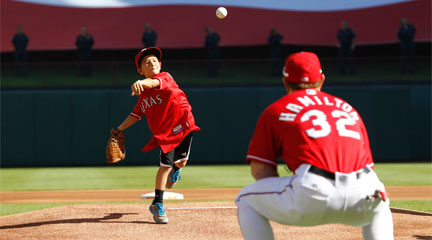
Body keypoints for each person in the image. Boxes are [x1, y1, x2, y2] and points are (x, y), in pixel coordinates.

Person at [235, 52, 394, 240]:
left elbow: (261, 171)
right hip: (365, 192)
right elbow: (367, 165)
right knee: (380, 203)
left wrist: (287, 197)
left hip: (315, 191)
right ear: (322, 80)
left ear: (285, 82)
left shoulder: (276, 109)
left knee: (246, 199)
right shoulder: (348, 108)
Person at [113, 47, 200, 224]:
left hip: (184, 125)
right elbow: (135, 115)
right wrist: (119, 129)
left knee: (181, 162)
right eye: (146, 62)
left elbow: (152, 83)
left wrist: (140, 82)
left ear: (160, 65)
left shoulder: (165, 77)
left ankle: (177, 170)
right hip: (165, 135)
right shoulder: (143, 97)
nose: (151, 63)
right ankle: (157, 203)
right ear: (140, 70)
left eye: (154, 60)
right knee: (164, 166)